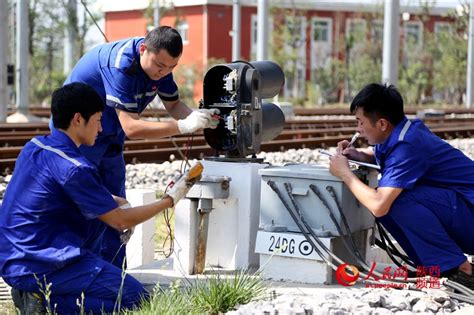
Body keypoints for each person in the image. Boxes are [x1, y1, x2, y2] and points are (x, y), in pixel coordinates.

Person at [0, 83, 199, 314]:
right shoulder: (74, 167)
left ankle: (34, 291)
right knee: (137, 299)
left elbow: (72, 192)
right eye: (97, 120)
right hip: (44, 262)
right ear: (77, 119)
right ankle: (43, 302)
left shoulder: (35, 146)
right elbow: (120, 222)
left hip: (14, 256)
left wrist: (116, 200)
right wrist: (169, 200)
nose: (101, 128)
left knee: (97, 220)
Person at [59, 25, 219, 266]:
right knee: (88, 203)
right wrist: (183, 126)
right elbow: (132, 128)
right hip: (78, 133)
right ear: (143, 49)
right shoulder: (121, 66)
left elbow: (174, 107)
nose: (163, 72)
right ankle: (77, 271)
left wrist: (201, 119)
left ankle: (114, 275)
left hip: (108, 132)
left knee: (118, 205)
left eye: (171, 68)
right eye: (159, 65)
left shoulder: (160, 67)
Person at [328, 83, 474, 288]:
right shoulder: (405, 130)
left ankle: (461, 270)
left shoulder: (408, 146)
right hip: (464, 210)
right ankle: (433, 268)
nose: (358, 130)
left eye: (360, 122)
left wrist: (344, 173)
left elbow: (379, 204)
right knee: (391, 200)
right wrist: (359, 155)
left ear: (381, 124)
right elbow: (385, 155)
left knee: (393, 201)